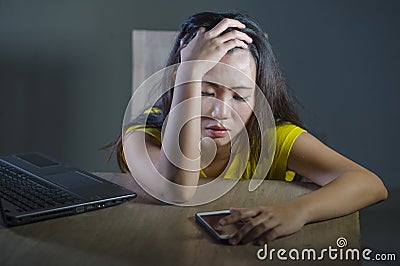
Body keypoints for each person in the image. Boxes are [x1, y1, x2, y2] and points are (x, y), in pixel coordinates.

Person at [115, 11, 387, 245]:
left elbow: (370, 184)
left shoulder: (273, 138)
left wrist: (298, 212)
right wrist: (189, 73)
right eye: (205, 92)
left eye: (239, 97)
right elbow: (176, 192)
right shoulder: (144, 135)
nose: (221, 112)